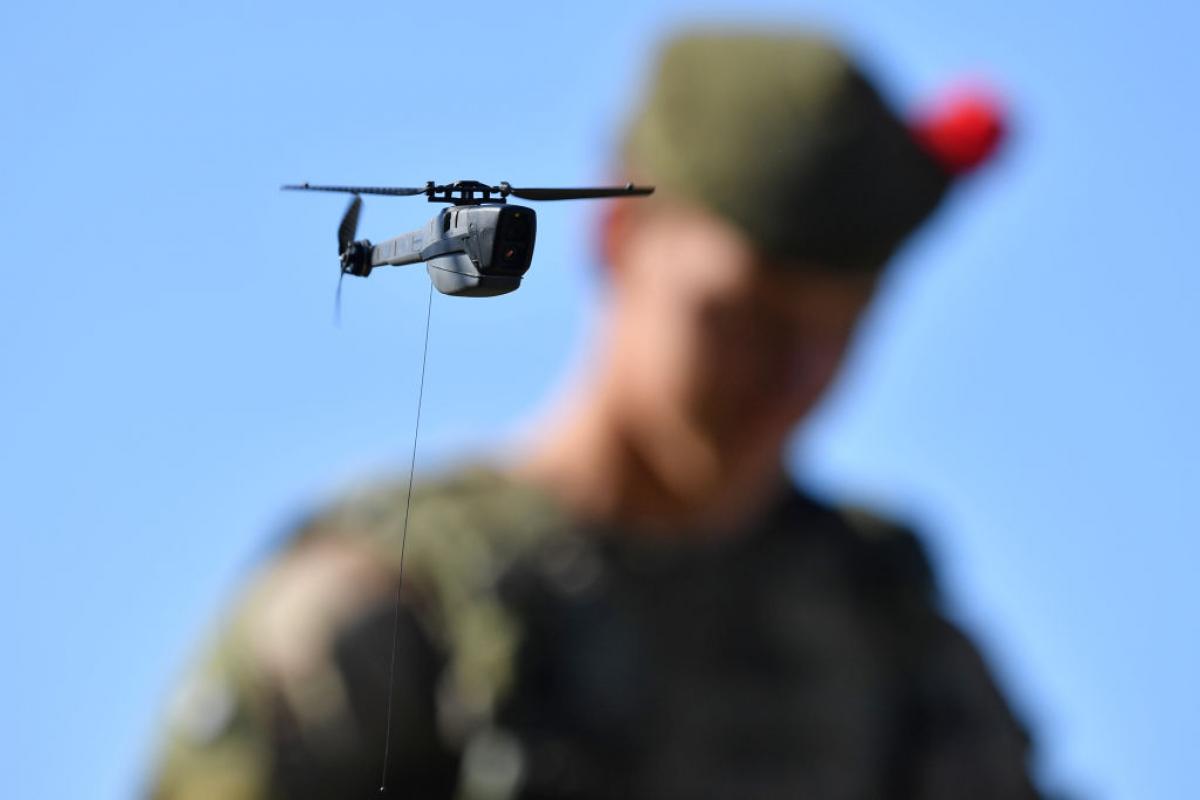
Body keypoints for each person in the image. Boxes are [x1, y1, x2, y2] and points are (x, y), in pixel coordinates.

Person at [148, 29, 1041, 800]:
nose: (791, 376)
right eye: (748, 315)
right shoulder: (386, 622)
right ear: (619, 235)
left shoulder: (888, 641)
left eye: (840, 324)